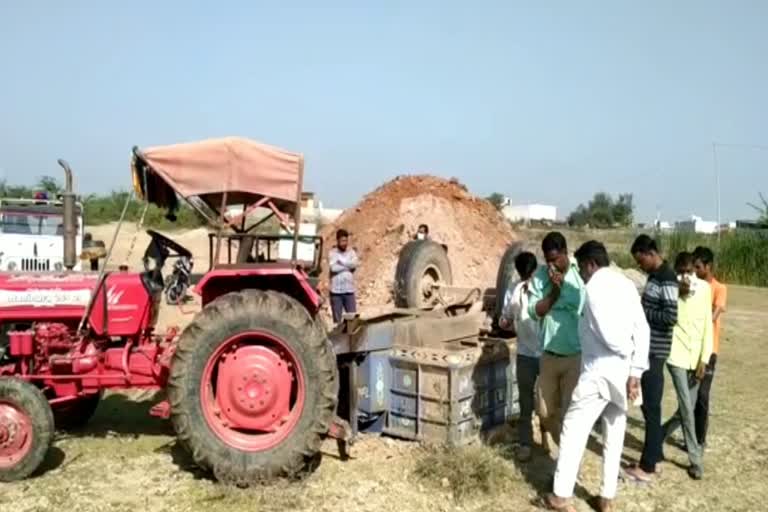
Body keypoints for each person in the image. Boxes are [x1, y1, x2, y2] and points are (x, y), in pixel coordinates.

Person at [543, 241, 649, 512]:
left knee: (573, 430)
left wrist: (627, 356)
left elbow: (610, 336)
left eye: (583, 268)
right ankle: (606, 497)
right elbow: (642, 329)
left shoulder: (594, 288)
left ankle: (561, 496)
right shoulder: (625, 284)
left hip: (600, 373)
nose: (583, 274)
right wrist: (634, 370)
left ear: (591, 264)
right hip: (623, 373)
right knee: (614, 435)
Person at [625, 235, 678, 483]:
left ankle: (647, 467)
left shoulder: (667, 277)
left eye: (640, 261)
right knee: (648, 408)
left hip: (655, 352)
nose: (640, 266)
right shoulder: (656, 277)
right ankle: (654, 457)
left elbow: (670, 317)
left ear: (651, 253)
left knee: (652, 409)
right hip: (648, 350)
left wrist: (640, 309)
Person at [528, 232, 585, 449]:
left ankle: (568, 460)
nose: (552, 265)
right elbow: (534, 312)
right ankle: (567, 449)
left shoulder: (580, 274)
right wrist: (555, 292)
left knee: (570, 413)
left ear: (565, 253)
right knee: (543, 411)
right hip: (549, 355)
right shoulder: (541, 277)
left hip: (574, 356)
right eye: (548, 261)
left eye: (556, 259)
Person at [660, 252, 712, 480]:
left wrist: (704, 359)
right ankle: (696, 460)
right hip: (675, 356)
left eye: (689, 272)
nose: (685, 277)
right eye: (681, 272)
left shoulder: (704, 290)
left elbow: (707, 327)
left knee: (686, 407)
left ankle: (658, 435)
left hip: (696, 357)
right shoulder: (671, 288)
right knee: (687, 408)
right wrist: (675, 295)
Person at [499, 251, 541, 462]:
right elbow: (505, 318)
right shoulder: (514, 291)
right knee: (526, 401)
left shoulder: (545, 288)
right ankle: (526, 443)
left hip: (547, 353)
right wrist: (505, 322)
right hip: (526, 353)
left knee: (546, 402)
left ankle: (546, 438)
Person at [691, 246, 726, 447]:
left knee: (702, 396)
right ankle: (691, 436)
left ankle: (699, 439)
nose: (694, 271)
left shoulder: (719, 289)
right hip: (691, 349)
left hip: (709, 351)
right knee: (690, 397)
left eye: (698, 267)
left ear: (708, 266)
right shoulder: (692, 286)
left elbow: (712, 317)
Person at [328, 229, 359, 323]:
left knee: (352, 320)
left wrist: (341, 263)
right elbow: (333, 268)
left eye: (346, 241)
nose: (344, 243)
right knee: (337, 321)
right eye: (342, 241)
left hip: (349, 291)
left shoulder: (352, 253)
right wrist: (347, 267)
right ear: (337, 241)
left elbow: (354, 265)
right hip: (336, 293)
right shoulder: (332, 253)